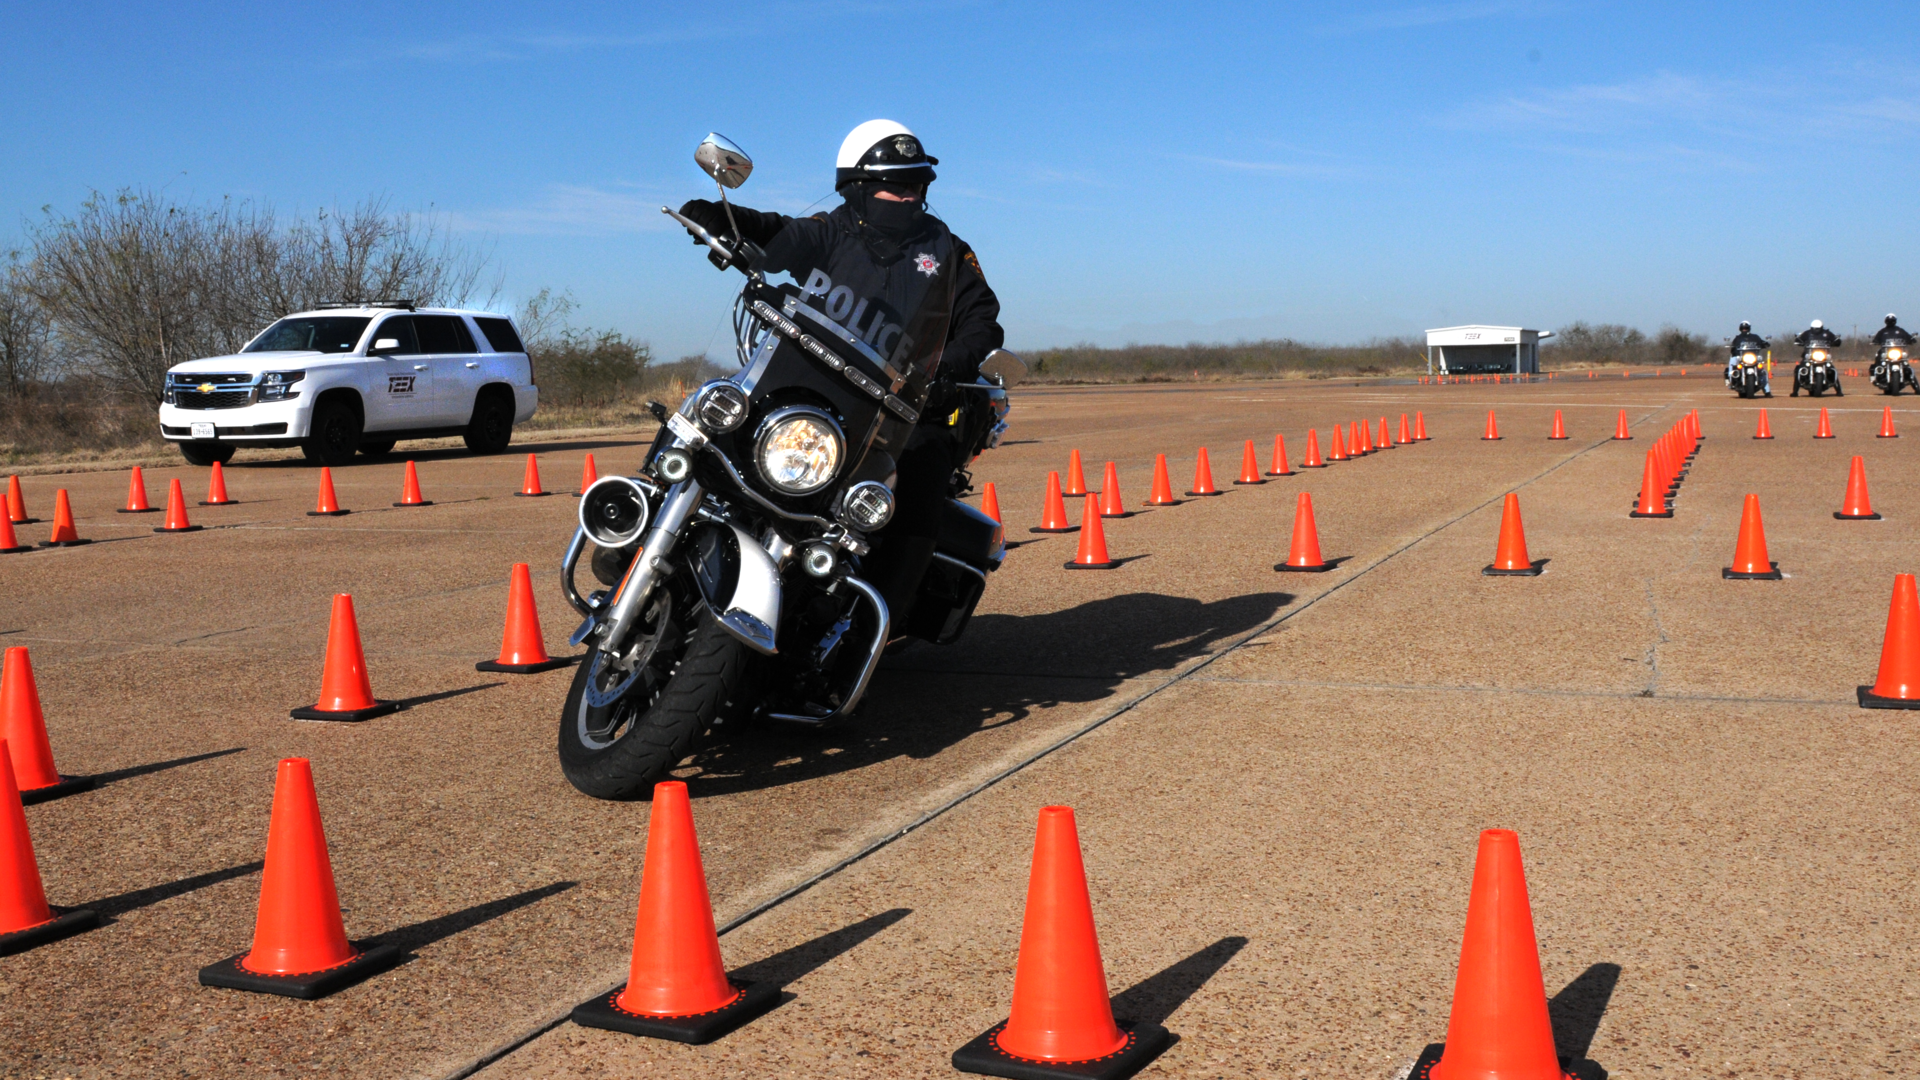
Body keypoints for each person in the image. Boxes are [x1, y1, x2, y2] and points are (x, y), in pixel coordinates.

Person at [677, 120, 1005, 626]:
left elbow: (982, 321)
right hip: (816, 382)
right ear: (858, 187)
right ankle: (650, 522)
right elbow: (776, 232)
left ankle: (874, 622)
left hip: (900, 410)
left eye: (917, 183)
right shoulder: (832, 232)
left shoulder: (946, 252)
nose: (909, 194)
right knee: (714, 415)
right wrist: (720, 218)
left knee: (920, 468)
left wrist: (945, 369)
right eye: (896, 184)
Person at [1727, 320, 1772, 395]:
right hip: (1741, 357)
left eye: (1746, 328)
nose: (1744, 329)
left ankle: (1767, 391)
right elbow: (1733, 347)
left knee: (1762, 372)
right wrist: (1733, 348)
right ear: (1740, 329)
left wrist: (1765, 344)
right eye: (1743, 328)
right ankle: (1731, 379)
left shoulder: (1755, 337)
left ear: (1749, 328)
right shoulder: (1738, 338)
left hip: (1753, 357)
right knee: (1732, 360)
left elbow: (1762, 342)